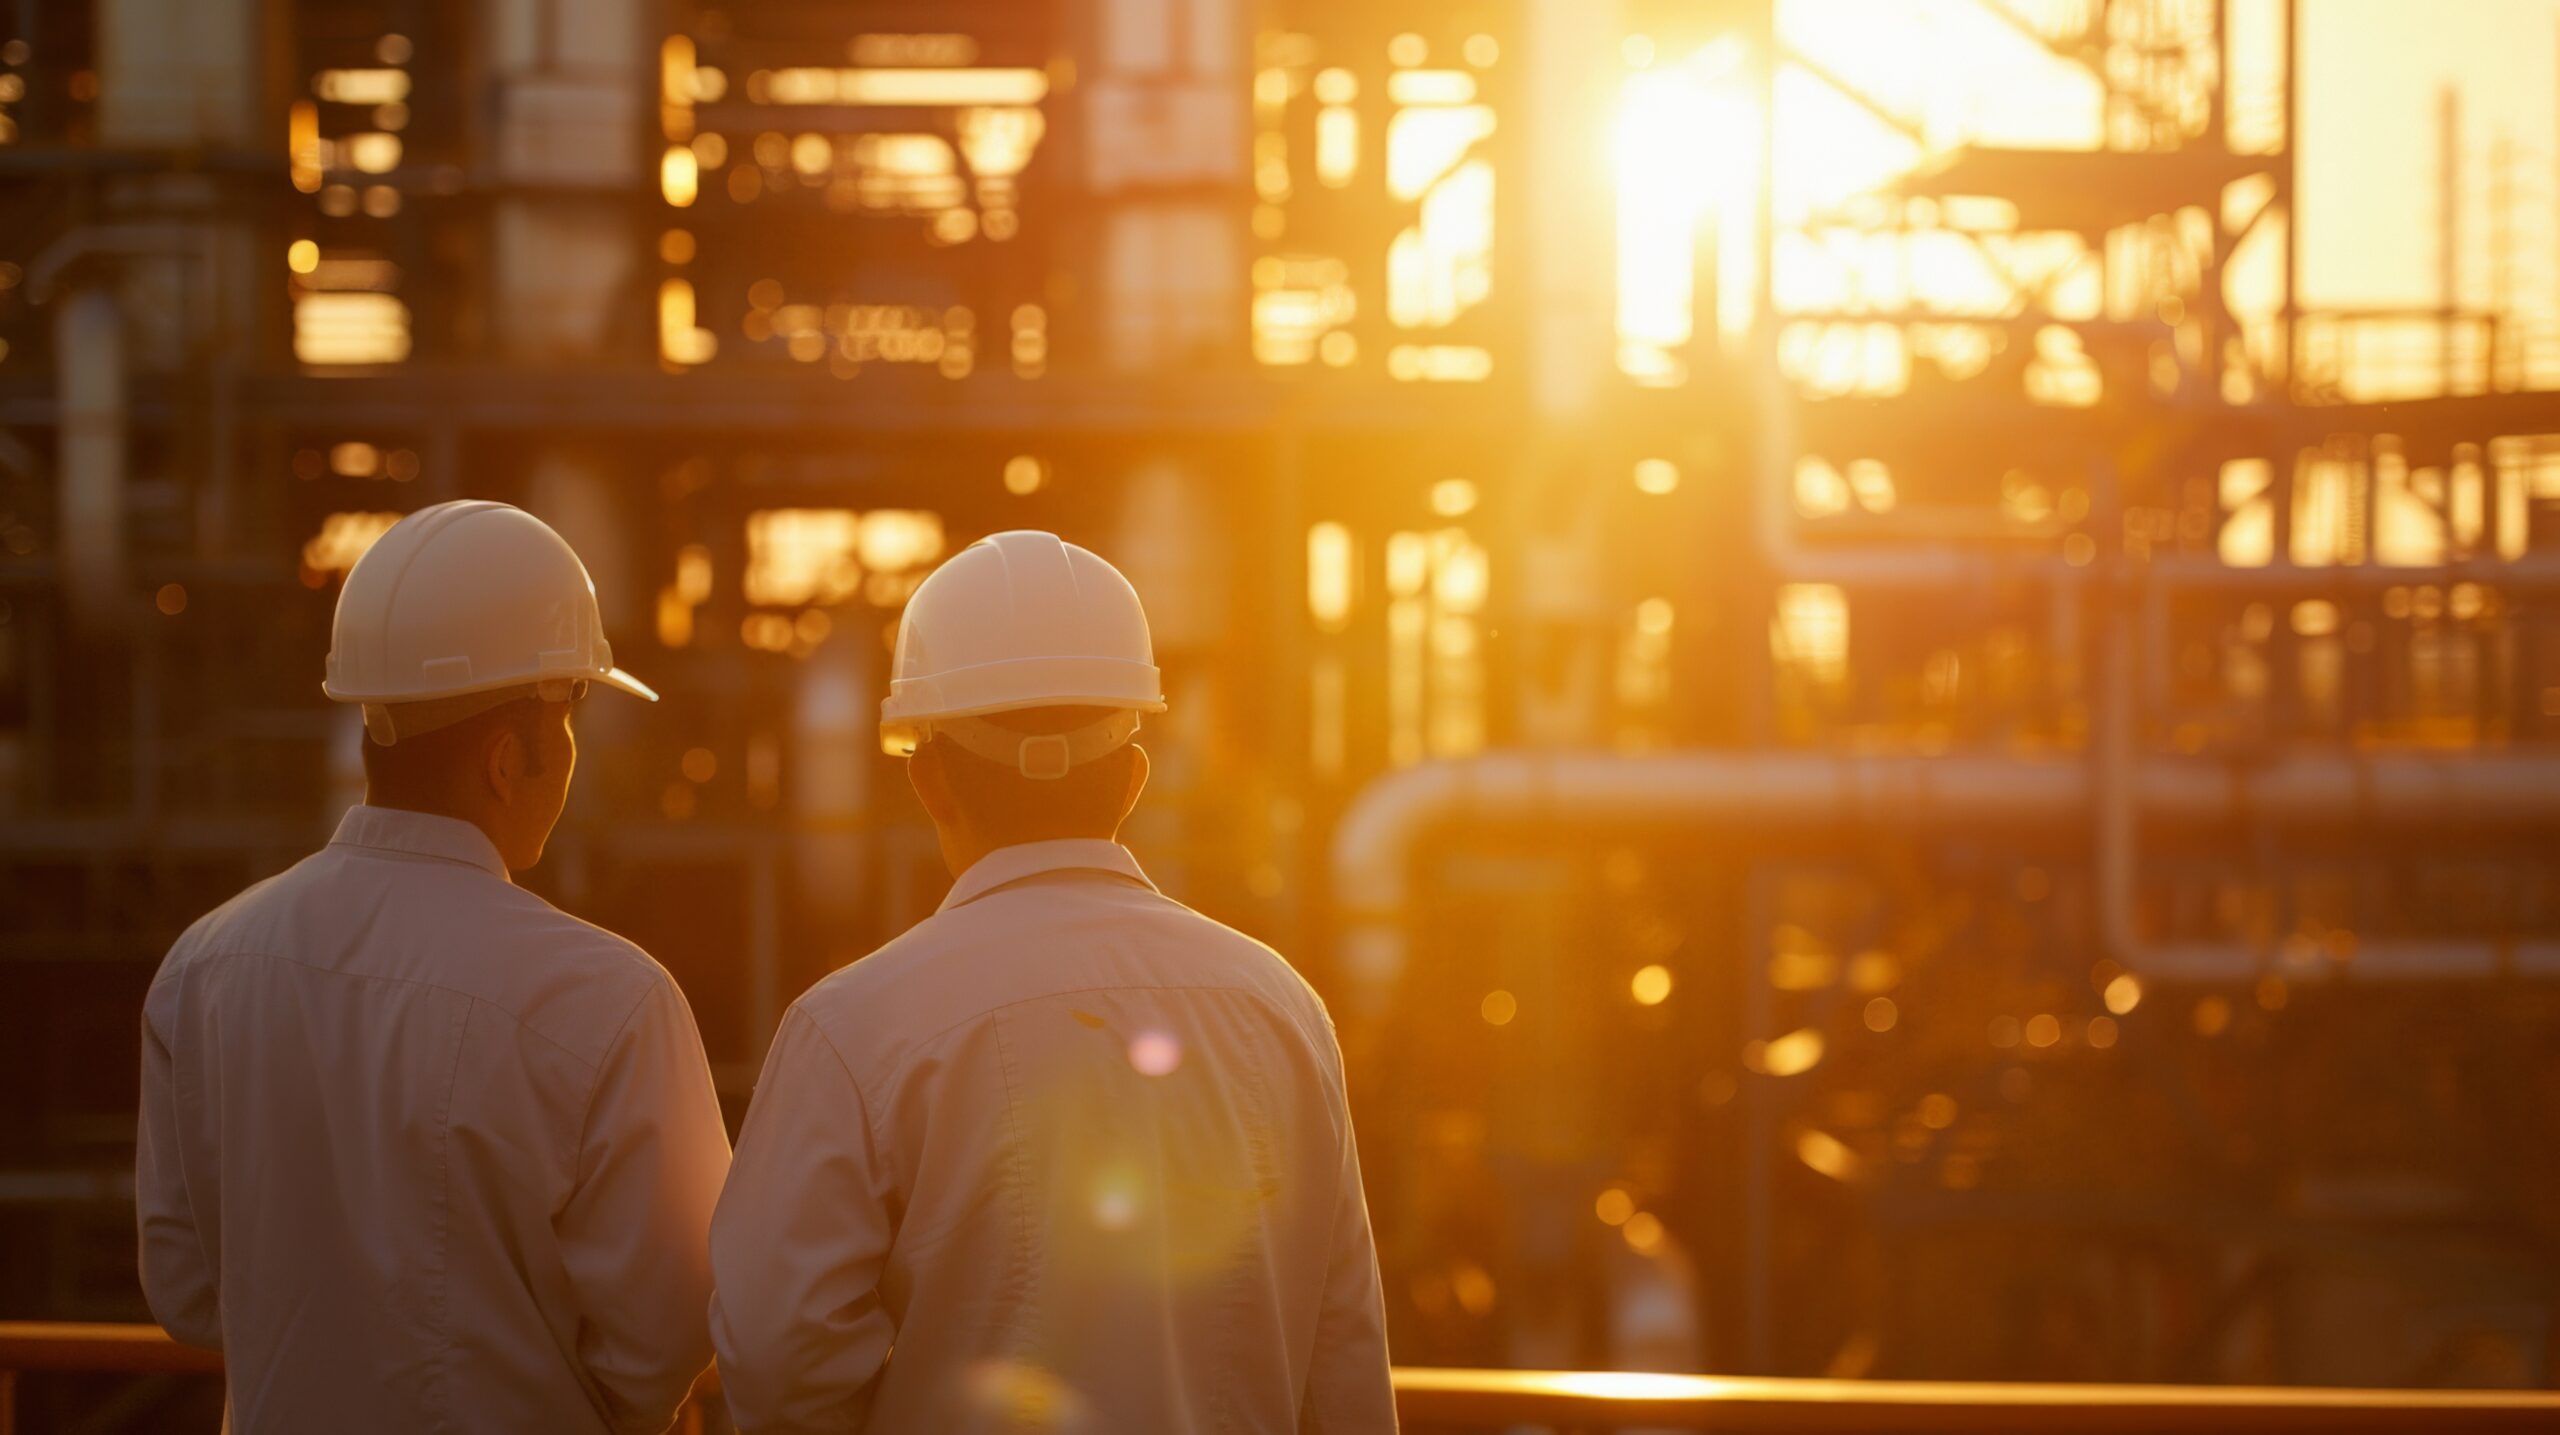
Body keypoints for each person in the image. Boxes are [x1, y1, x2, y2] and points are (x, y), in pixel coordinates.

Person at [709, 530, 1396, 1433]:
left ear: (930, 782)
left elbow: (775, 1361)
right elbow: (1344, 1364)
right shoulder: (1282, 1008)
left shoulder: (851, 1029)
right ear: (1135, 776)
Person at [136, 500, 732, 1434]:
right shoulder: (610, 1001)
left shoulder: (204, 967)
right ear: (505, 760)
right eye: (571, 716)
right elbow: (671, 1326)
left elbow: (185, 1292)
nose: (574, 758)